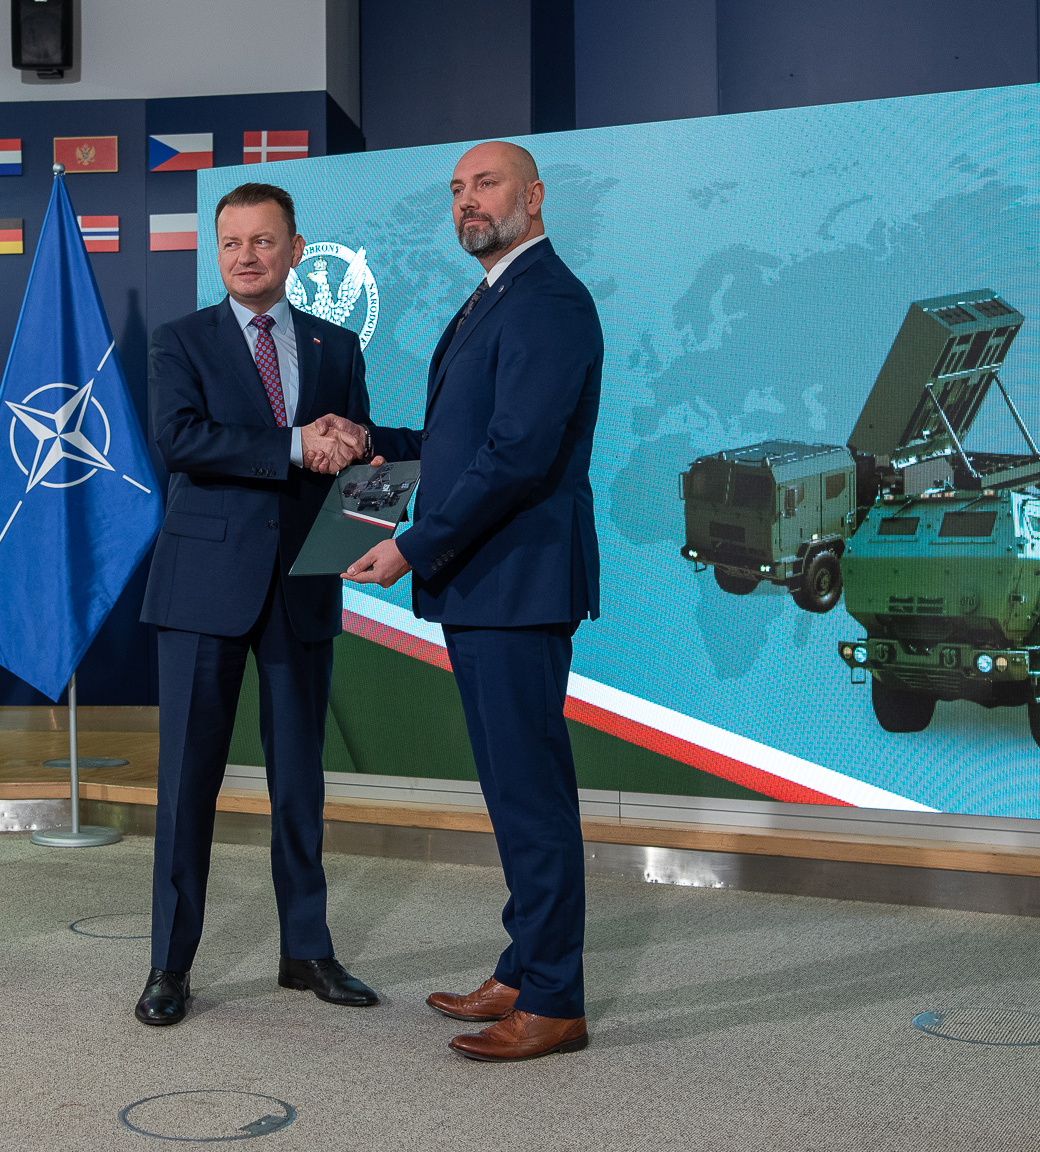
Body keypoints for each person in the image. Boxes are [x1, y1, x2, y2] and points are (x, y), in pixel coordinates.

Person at [342, 141, 603, 1061]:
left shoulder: (548, 300)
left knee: (531, 795)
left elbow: (518, 457)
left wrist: (410, 546)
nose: (467, 201)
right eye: (456, 190)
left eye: (485, 185)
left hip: (516, 585)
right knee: (510, 788)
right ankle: (525, 967)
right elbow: (464, 440)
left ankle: (555, 1001)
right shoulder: (495, 295)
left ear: (535, 195)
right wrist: (374, 440)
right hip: (487, 585)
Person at [135, 181, 379, 1026]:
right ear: (217, 251)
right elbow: (180, 440)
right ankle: (170, 966)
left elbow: (354, 459)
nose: (246, 256)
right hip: (203, 587)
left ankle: (305, 950)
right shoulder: (179, 340)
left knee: (300, 781)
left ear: (295, 250)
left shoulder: (336, 345)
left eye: (263, 241)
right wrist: (294, 443)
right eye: (231, 242)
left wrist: (361, 531)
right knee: (186, 785)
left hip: (304, 584)